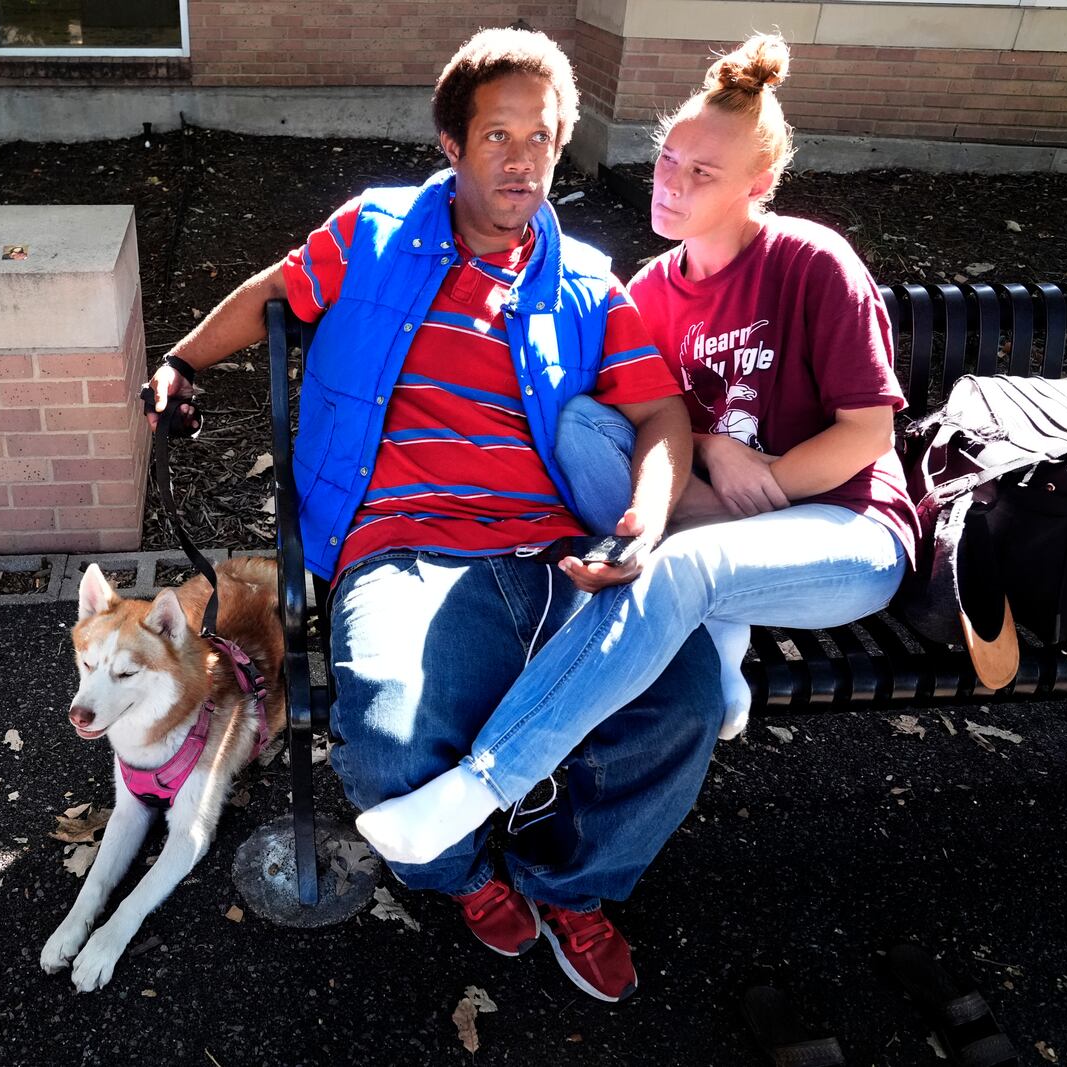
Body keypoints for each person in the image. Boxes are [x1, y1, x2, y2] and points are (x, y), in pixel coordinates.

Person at [146, 28, 724, 1003]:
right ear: (451, 146)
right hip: (402, 549)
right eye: (497, 135)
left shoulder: (582, 278)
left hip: (552, 551)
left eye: (540, 137)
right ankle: (465, 874)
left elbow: (660, 410)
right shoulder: (372, 232)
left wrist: (644, 516)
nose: (521, 158)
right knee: (382, 734)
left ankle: (570, 884)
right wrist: (183, 361)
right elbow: (279, 291)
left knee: (685, 697)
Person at [353, 33, 921, 869]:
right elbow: (637, 424)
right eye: (668, 160)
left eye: (703, 174)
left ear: (758, 185)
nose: (671, 183)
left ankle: (482, 784)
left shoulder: (810, 262)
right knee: (581, 422)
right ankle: (713, 632)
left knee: (682, 570)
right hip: (715, 518)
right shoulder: (651, 289)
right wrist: (707, 448)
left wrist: (760, 478)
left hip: (841, 529)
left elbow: (869, 433)